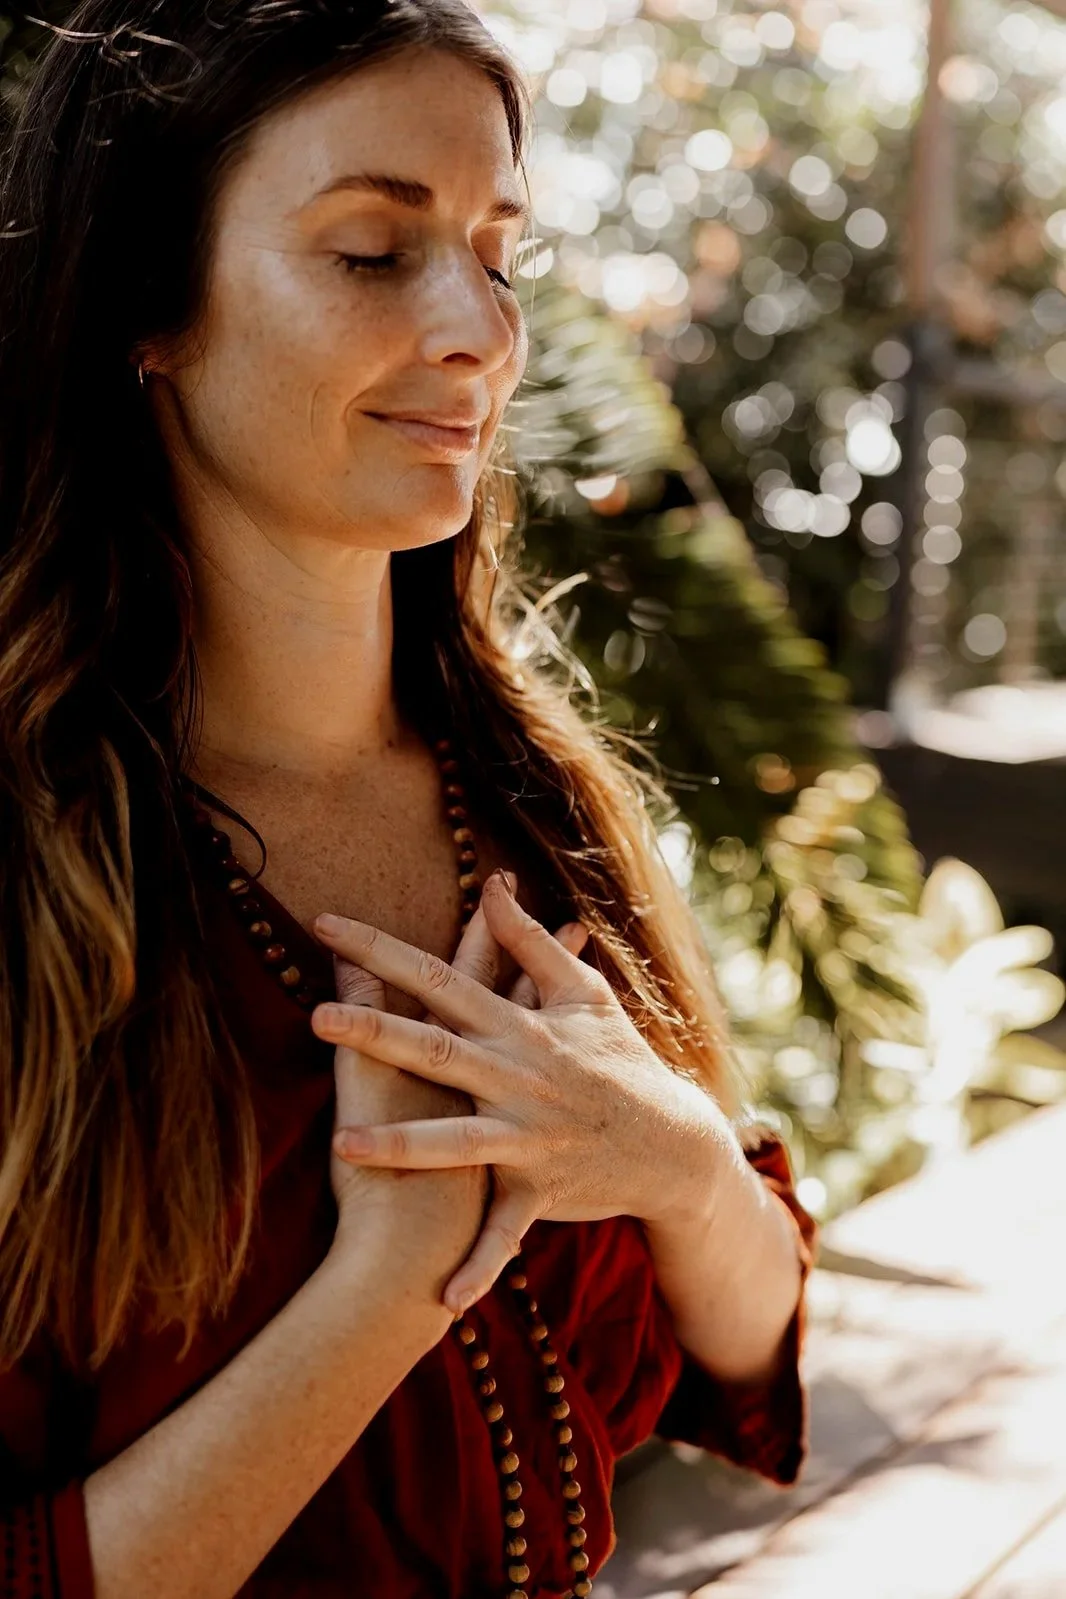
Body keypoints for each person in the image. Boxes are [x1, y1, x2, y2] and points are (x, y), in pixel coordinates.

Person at [0, 2, 818, 1595]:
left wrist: (680, 1164)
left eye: (499, 255)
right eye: (372, 252)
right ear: (144, 303)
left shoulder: (539, 798)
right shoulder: (33, 868)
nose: (479, 331)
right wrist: (383, 1289)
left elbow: (756, 1332)